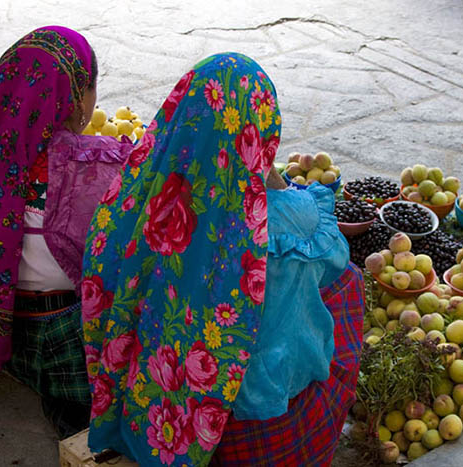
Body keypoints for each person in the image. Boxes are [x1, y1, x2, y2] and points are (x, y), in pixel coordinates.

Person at [81, 52, 364, 466]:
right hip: (258, 418)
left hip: (175, 412)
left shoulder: (138, 200)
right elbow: (335, 258)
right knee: (348, 281)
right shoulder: (294, 219)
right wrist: (266, 174)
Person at [0, 26, 131, 437]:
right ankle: (76, 417)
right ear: (78, 96)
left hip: (1, 333)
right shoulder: (93, 167)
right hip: (67, 340)